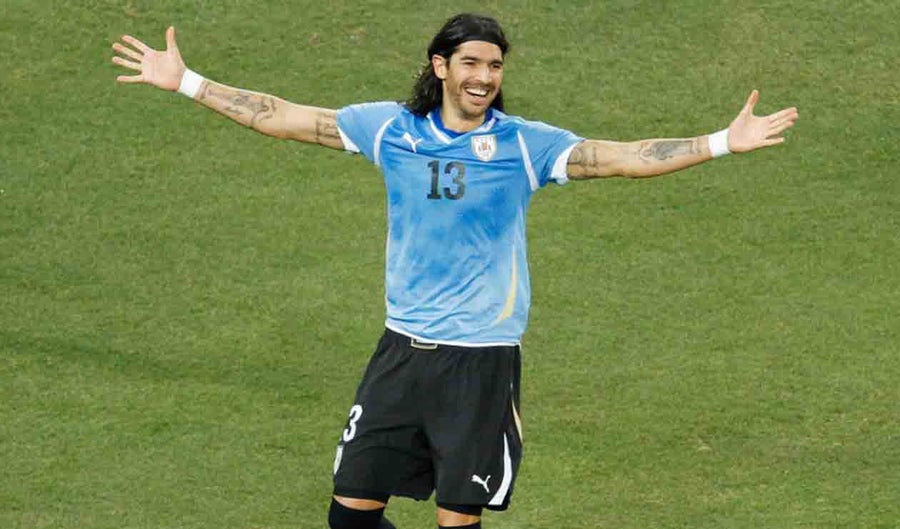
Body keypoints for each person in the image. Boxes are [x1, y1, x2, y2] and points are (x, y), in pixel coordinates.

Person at [112, 13, 798, 529]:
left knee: (456, 520)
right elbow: (285, 117)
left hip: (479, 361)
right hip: (401, 352)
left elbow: (621, 156)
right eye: (471, 62)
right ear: (440, 66)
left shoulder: (522, 145)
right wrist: (188, 82)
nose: (484, 76)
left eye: (494, 65)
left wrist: (721, 142)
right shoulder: (392, 130)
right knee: (349, 513)